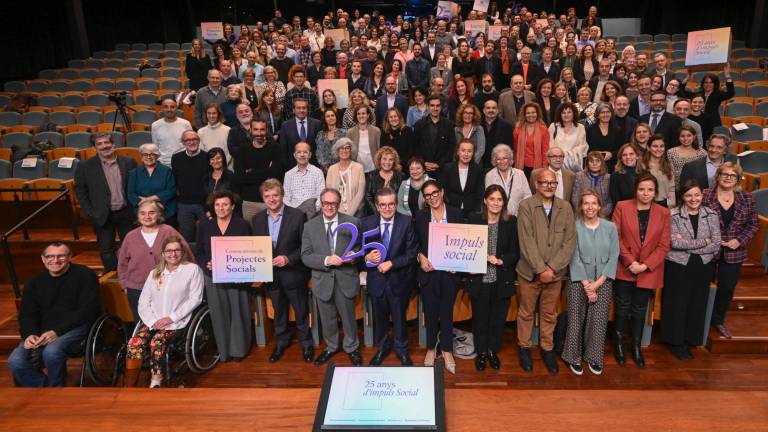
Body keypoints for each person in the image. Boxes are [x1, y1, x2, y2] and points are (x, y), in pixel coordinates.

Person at [10, 242, 100, 387]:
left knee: (51, 352)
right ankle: (47, 389)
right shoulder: (34, 282)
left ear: (70, 256)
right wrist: (29, 334)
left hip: (76, 327)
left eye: (61, 256)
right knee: (16, 360)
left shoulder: (85, 276)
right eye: (50, 256)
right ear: (43, 259)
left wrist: (57, 332)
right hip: (42, 330)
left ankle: (55, 389)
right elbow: (27, 314)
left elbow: (88, 310)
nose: (55, 260)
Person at [516, 169, 576, 373]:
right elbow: (526, 241)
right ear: (536, 185)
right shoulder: (526, 206)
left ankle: (546, 348)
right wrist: (541, 269)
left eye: (553, 183)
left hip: (556, 274)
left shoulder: (566, 207)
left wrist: (552, 268)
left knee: (549, 314)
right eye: (544, 182)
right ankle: (524, 347)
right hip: (529, 273)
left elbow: (569, 242)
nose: (549, 186)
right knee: (526, 313)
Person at [125, 236, 203, 388]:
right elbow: (143, 301)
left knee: (157, 342)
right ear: (163, 254)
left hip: (177, 321)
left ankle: (156, 381)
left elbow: (195, 299)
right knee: (134, 343)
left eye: (176, 250)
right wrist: (152, 320)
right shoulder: (155, 272)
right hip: (152, 321)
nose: (173, 254)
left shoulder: (192, 270)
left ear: (182, 252)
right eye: (169, 251)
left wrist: (171, 318)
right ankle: (130, 384)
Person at [611, 174, 671, 368]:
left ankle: (635, 347)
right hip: (624, 267)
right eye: (642, 189)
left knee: (639, 310)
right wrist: (630, 263)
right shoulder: (622, 206)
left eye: (650, 190)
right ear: (635, 190)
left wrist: (644, 266)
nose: (646, 193)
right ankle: (619, 345)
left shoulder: (663, 212)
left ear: (655, 192)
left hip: (648, 270)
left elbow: (664, 245)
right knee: (621, 308)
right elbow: (615, 237)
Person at [251, 179, 314, 363]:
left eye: (275, 195)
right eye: (267, 196)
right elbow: (256, 247)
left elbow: (305, 246)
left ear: (282, 195)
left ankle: (306, 344)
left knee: (301, 312)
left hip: (294, 273)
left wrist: (288, 259)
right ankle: (282, 342)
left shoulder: (298, 215)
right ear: (263, 198)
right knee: (279, 312)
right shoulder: (257, 219)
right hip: (271, 276)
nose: (272, 199)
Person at [301, 188, 363, 367]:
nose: (329, 207)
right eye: (326, 203)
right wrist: (327, 260)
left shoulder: (352, 222)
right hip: (322, 280)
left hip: (345, 278)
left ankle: (352, 347)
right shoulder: (309, 226)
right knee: (326, 318)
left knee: (349, 318)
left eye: (333, 203)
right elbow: (305, 256)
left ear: (339, 203)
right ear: (321, 204)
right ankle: (331, 346)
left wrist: (354, 254)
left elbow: (360, 248)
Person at [561, 190, 619, 375]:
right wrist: (587, 284)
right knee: (576, 321)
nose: (590, 207)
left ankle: (593, 357)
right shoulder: (574, 226)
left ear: (600, 206)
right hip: (579, 281)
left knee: (598, 322)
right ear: (580, 206)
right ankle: (573, 357)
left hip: (603, 281)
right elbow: (573, 255)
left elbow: (614, 256)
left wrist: (598, 283)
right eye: (586, 203)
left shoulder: (610, 228)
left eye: (594, 203)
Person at [663, 180, 722, 360]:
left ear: (702, 195)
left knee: (697, 303)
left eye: (697, 195)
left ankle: (690, 339)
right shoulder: (672, 215)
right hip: (678, 265)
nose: (693, 198)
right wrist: (705, 242)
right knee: (677, 304)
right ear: (682, 197)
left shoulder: (711, 214)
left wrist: (691, 245)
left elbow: (717, 243)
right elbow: (674, 243)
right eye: (689, 195)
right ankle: (675, 342)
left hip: (703, 265)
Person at [360, 187, 419, 366]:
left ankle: (402, 351)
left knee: (400, 318)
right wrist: (366, 257)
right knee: (380, 317)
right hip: (376, 280)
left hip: (399, 279)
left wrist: (392, 263)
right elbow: (357, 253)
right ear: (377, 206)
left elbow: (411, 253)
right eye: (383, 205)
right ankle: (383, 348)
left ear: (396, 204)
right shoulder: (366, 223)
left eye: (391, 204)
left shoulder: (407, 222)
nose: (387, 208)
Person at [195, 191, 253, 362]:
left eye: (225, 204)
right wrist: (207, 264)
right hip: (213, 276)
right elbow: (199, 252)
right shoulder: (204, 226)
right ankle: (224, 352)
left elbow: (249, 249)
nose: (221, 208)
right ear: (213, 207)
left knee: (238, 311)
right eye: (218, 205)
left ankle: (239, 350)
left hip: (237, 277)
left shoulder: (242, 225)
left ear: (232, 207)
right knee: (219, 314)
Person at [466, 185, 519, 371]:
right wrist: (468, 267)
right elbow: (464, 249)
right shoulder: (473, 219)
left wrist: (500, 260)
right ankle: (480, 352)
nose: (496, 203)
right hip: (479, 279)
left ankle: (491, 351)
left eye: (499, 199)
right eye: (492, 199)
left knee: (498, 320)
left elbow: (515, 252)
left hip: (501, 278)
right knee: (480, 319)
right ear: (485, 201)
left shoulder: (511, 222)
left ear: (503, 202)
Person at [705, 162, 759, 339]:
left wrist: (740, 240)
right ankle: (701, 318)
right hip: (707, 250)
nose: (728, 178)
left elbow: (753, 225)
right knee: (703, 287)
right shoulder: (705, 195)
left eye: (732, 175)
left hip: (734, 251)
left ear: (737, 179)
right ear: (718, 176)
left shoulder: (747, 198)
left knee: (727, 288)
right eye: (724, 174)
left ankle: (717, 320)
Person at [414, 180, 463, 374]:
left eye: (435, 193)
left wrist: (458, 262)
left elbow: (463, 242)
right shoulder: (420, 216)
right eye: (428, 195)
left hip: (450, 273)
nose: (432, 197)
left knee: (447, 312)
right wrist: (420, 257)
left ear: (442, 192)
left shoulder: (457, 214)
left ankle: (447, 350)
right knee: (431, 312)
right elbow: (414, 243)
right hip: (429, 272)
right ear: (424, 199)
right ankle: (431, 349)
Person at [118, 200, 192, 322]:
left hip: (165, 287)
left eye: (151, 213)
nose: (147, 216)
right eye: (143, 213)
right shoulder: (130, 236)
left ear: (158, 215)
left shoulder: (168, 231)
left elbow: (187, 253)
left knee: (163, 325)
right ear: (138, 215)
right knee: (141, 326)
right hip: (136, 288)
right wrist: (125, 285)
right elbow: (122, 264)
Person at [74, 133, 137, 272]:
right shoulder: (85, 166)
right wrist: (90, 212)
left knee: (132, 247)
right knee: (106, 250)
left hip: (126, 213)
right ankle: (113, 277)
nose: (104, 146)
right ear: (94, 147)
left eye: (107, 142)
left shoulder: (128, 162)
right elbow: (80, 191)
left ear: (113, 144)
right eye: (100, 144)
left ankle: (133, 275)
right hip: (102, 214)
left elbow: (135, 186)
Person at [235, 119, 284, 222]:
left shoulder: (275, 148)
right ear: (251, 131)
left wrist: (251, 172)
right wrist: (266, 171)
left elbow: (275, 175)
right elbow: (240, 177)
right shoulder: (242, 149)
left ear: (266, 130)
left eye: (262, 130)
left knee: (272, 235)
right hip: (249, 202)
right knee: (251, 236)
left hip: (271, 202)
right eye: (256, 130)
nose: (259, 133)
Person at [172, 130, 209, 243]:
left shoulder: (207, 157)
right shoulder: (176, 158)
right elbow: (176, 180)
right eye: (188, 140)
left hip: (204, 204)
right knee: (185, 238)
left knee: (206, 236)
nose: (192, 142)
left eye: (195, 139)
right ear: (183, 142)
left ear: (199, 141)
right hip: (184, 204)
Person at [127, 143, 177, 226]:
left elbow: (171, 190)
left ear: (157, 156)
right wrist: (147, 206)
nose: (148, 157)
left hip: (164, 211)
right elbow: (131, 194)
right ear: (141, 156)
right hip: (142, 214)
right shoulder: (134, 173)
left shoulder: (167, 171)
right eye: (145, 154)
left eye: (152, 154)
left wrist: (149, 200)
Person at [412, 95, 456, 178]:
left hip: (443, 169)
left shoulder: (449, 124)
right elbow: (415, 146)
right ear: (428, 107)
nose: (435, 108)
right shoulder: (419, 124)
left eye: (438, 105)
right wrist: (423, 162)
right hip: (424, 169)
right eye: (432, 105)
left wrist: (439, 164)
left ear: (441, 107)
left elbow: (451, 148)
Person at [441, 139, 485, 218]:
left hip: (472, 212)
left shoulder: (478, 169)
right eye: (463, 150)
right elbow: (444, 191)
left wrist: (476, 212)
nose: (466, 154)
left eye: (469, 151)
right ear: (458, 152)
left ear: (473, 153)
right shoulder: (448, 168)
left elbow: (480, 193)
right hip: (451, 211)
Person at [325, 137, 366, 216]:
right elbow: (329, 192)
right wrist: (337, 211)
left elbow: (360, 193)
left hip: (357, 211)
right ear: (337, 151)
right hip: (335, 211)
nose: (344, 150)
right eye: (341, 148)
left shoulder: (359, 168)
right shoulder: (331, 169)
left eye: (347, 148)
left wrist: (349, 213)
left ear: (351, 151)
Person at [284, 142, 325, 217]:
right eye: (299, 152)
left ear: (310, 155)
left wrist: (312, 211)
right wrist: (294, 213)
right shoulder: (288, 175)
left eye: (305, 152)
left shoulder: (318, 172)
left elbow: (321, 195)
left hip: (313, 214)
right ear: (295, 155)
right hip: (293, 214)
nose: (302, 155)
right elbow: (286, 198)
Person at [279, 98, 322, 169]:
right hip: (292, 167)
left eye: (304, 108)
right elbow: (283, 149)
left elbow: (320, 146)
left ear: (307, 109)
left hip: (313, 166)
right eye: (298, 108)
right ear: (293, 110)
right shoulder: (285, 125)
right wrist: (286, 167)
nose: (301, 110)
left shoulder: (317, 124)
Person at [151, 98, 193, 167]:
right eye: (166, 107)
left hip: (183, 162)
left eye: (172, 107)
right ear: (162, 108)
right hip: (163, 163)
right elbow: (156, 146)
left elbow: (191, 144)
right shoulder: (155, 125)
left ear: (176, 108)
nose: (169, 110)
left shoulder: (186, 124)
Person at [571, 151, 613, 217]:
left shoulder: (609, 178)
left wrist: (600, 214)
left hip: (602, 217)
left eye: (597, 161)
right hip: (582, 215)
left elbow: (610, 202)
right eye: (591, 161)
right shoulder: (579, 176)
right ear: (587, 163)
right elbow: (575, 198)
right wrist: (585, 212)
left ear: (602, 163)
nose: (594, 164)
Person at [364, 146, 404, 215]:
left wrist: (392, 212)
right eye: (384, 159)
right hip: (375, 214)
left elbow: (401, 198)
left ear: (394, 161)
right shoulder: (371, 175)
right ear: (379, 160)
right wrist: (378, 212)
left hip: (395, 214)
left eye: (390, 159)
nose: (387, 162)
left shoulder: (400, 176)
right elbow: (368, 197)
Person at [514, 102, 550, 178]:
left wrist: (544, 168)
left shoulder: (543, 129)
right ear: (524, 115)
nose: (531, 115)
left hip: (537, 167)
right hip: (521, 166)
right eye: (528, 113)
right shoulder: (518, 129)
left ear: (537, 114)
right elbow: (515, 149)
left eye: (533, 112)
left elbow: (545, 151)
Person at [548, 102, 587, 172]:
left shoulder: (580, 127)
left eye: (569, 112)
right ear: (560, 114)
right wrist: (559, 155)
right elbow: (550, 146)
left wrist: (567, 155)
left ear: (574, 114)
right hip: (556, 165)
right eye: (563, 113)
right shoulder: (553, 126)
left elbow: (582, 147)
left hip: (573, 166)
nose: (566, 115)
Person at [586, 103, 623, 172]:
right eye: (602, 112)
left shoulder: (617, 129)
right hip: (594, 164)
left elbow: (620, 149)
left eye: (608, 112)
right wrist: (596, 154)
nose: (605, 115)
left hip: (612, 165)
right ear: (598, 115)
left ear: (611, 114)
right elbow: (586, 148)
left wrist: (611, 154)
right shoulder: (590, 129)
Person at [640, 135, 676, 207]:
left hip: (665, 205)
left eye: (661, 146)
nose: (659, 149)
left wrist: (671, 208)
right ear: (648, 148)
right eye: (655, 146)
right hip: (647, 204)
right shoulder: (642, 165)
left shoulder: (668, 165)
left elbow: (672, 188)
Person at [668, 124, 706, 190]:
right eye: (682, 136)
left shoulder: (702, 153)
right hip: (677, 188)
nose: (685, 139)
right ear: (679, 137)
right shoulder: (671, 152)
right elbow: (669, 173)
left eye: (689, 136)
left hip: (697, 188)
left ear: (694, 137)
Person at [480, 99, 514, 169]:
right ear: (483, 110)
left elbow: (510, 147)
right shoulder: (477, 124)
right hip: (480, 164)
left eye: (494, 108)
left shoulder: (507, 126)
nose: (491, 110)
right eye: (488, 108)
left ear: (498, 110)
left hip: (499, 164)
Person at [347, 106, 381, 173]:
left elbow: (379, 150)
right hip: (357, 169)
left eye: (363, 113)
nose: (361, 116)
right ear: (356, 116)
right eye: (358, 114)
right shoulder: (350, 132)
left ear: (368, 115)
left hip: (373, 168)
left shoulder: (376, 131)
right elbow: (349, 152)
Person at [198, 103, 233, 170]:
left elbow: (229, 152)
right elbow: (202, 152)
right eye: (209, 113)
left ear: (219, 114)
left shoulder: (228, 130)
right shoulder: (201, 132)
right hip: (209, 168)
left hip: (227, 168)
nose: (211, 116)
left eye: (214, 113)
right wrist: (212, 165)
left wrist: (222, 165)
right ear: (206, 115)